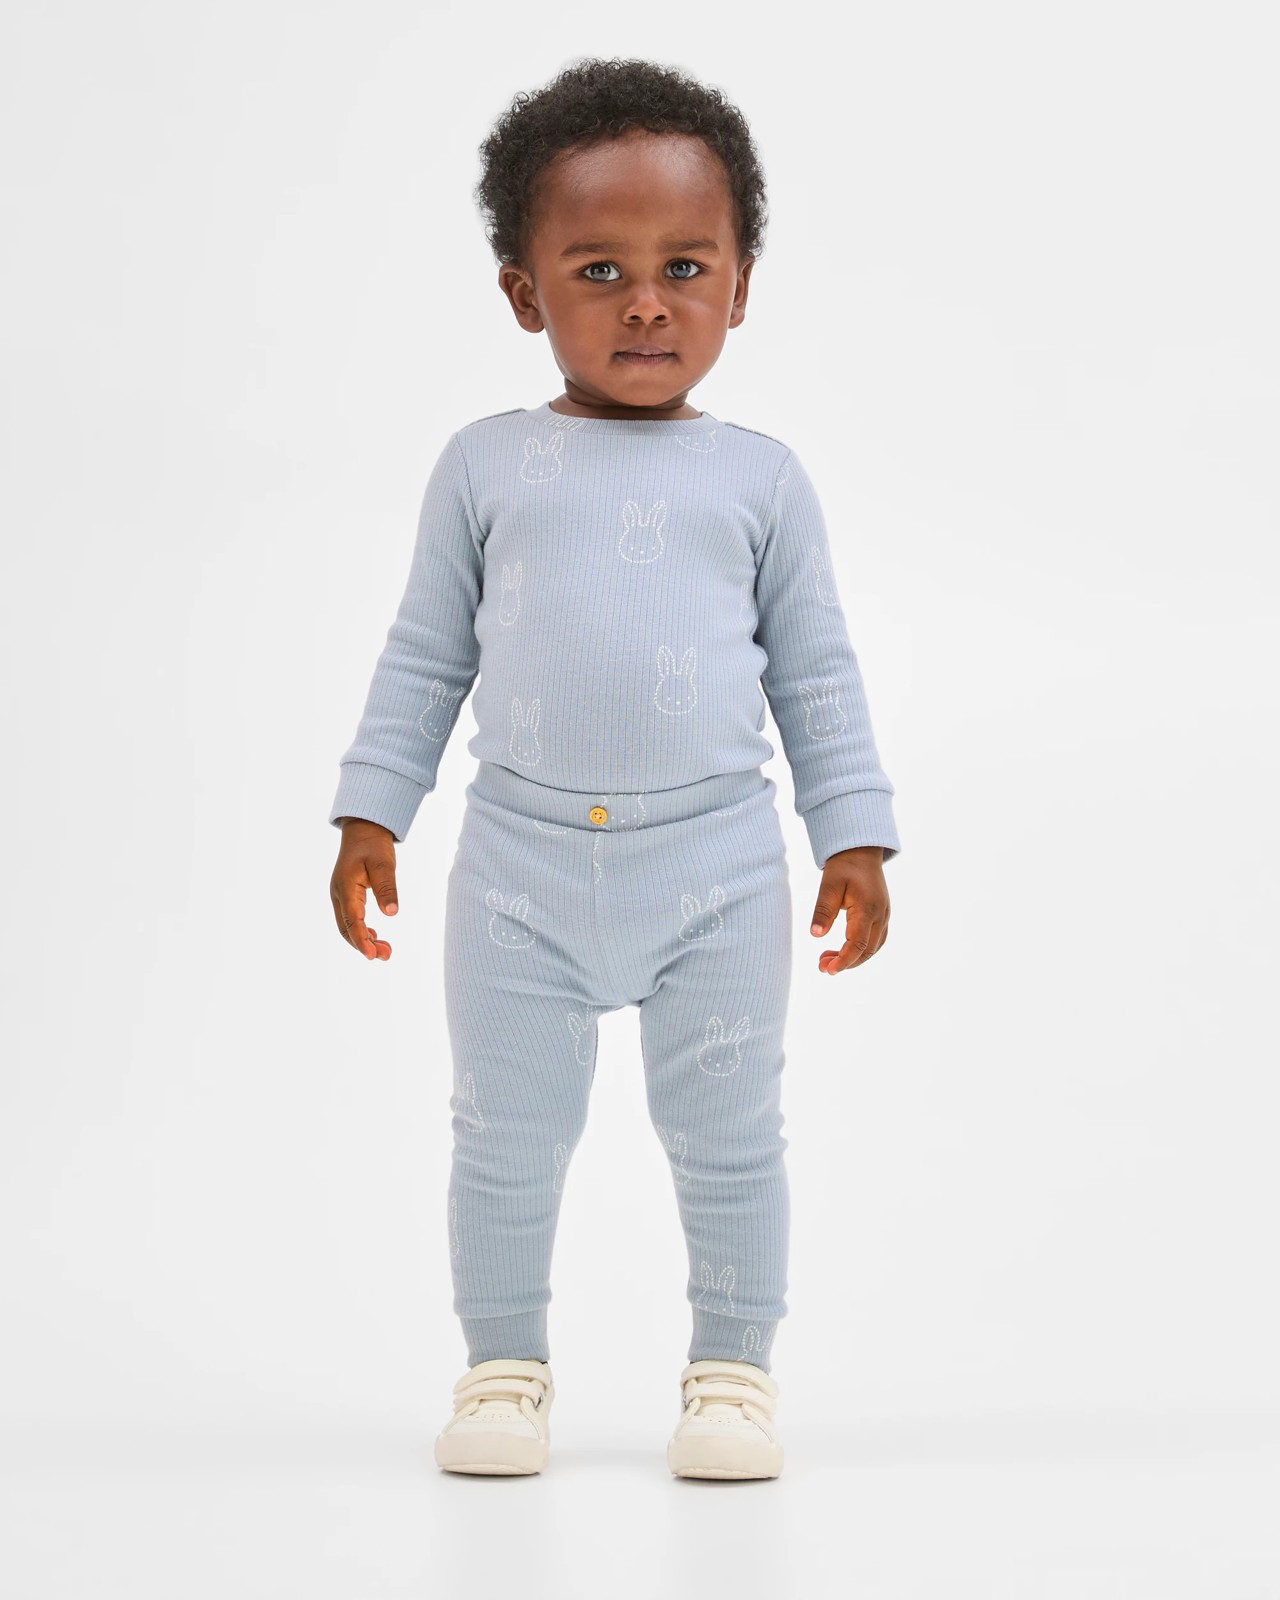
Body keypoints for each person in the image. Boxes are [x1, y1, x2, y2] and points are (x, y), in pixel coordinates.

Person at [327, 57, 901, 1481]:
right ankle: (502, 1372)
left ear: (740, 288)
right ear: (524, 292)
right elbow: (424, 656)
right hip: (516, 874)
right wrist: (371, 811)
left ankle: (733, 1377)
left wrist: (856, 834)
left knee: (731, 1137)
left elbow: (816, 675)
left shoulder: (762, 480)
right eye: (600, 269)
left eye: (684, 267)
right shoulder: (483, 467)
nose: (647, 302)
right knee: (504, 1137)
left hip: (718, 870)